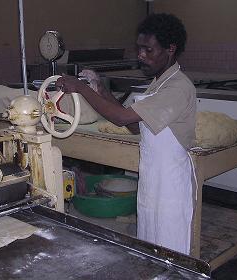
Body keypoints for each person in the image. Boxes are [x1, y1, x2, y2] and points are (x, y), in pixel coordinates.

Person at [55, 13, 196, 255]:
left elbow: (122, 118)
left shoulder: (178, 87)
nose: (141, 55)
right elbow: (132, 125)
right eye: (139, 49)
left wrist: (79, 88)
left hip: (171, 185)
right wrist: (99, 87)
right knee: (150, 247)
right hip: (152, 180)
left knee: (171, 252)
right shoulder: (158, 83)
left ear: (170, 49)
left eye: (148, 50)